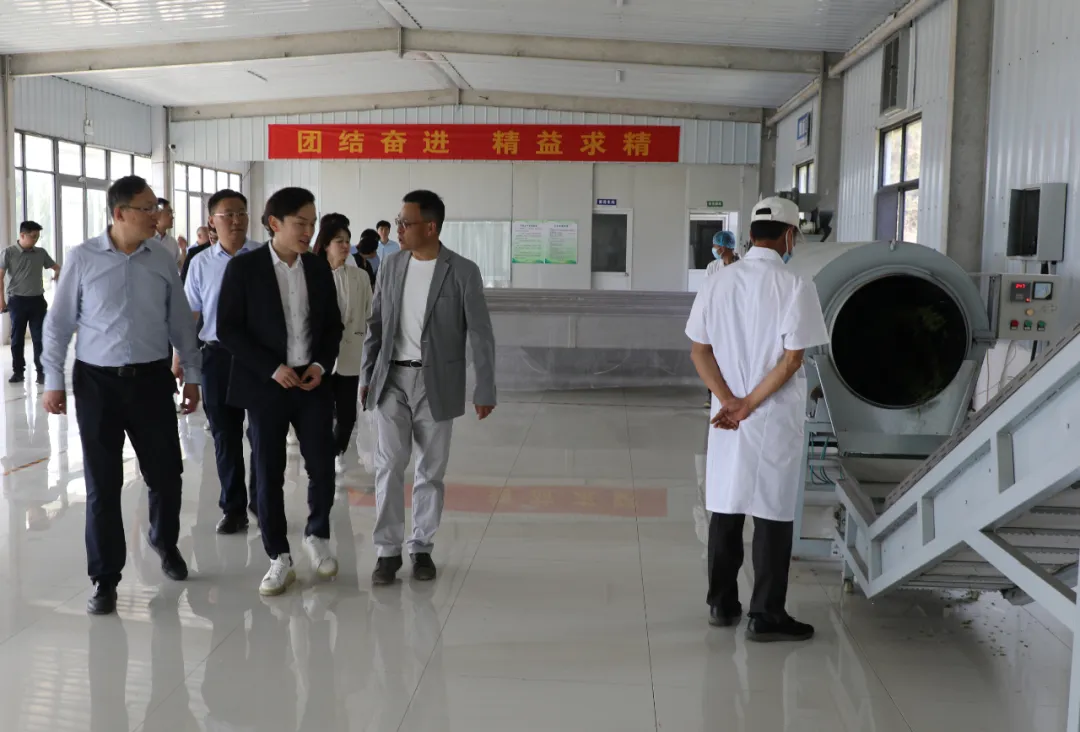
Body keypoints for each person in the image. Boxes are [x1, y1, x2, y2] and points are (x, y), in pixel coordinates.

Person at [41, 175, 202, 616]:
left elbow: (180, 322)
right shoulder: (83, 258)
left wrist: (192, 374)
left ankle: (164, 542)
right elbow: (58, 324)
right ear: (120, 213)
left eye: (156, 208)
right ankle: (105, 578)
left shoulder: (162, 259)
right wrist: (52, 379)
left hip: (151, 381)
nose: (156, 216)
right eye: (148, 209)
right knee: (102, 484)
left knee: (166, 474)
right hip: (97, 384)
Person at [685, 196, 828, 642]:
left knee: (725, 505)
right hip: (770, 414)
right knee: (771, 511)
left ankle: (721, 603)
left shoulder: (717, 282)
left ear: (749, 236)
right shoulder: (795, 285)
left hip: (727, 417)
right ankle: (766, 615)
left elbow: (699, 351)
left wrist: (729, 399)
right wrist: (748, 404)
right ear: (790, 236)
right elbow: (792, 360)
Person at [361, 190, 496, 585]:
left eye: (406, 223)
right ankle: (387, 552)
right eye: (398, 222)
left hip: (438, 381)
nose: (398, 229)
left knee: (430, 471)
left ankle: (421, 547)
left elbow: (481, 334)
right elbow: (376, 324)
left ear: (431, 227)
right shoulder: (391, 265)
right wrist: (368, 375)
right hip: (391, 379)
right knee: (389, 465)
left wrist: (485, 387)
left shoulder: (463, 271)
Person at [217, 187, 343, 596]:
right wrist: (272, 369)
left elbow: (332, 326)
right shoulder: (245, 268)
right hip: (266, 384)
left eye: (312, 223)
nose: (309, 231)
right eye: (300, 223)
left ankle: (317, 535)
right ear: (275, 223)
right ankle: (278, 556)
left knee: (322, 463)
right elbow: (228, 329)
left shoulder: (317, 268)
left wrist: (320, 365)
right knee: (267, 470)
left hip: (311, 382)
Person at [182, 189, 258, 535]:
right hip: (216, 356)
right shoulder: (200, 263)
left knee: (262, 435)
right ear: (212, 221)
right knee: (225, 437)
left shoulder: (264, 257)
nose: (237, 220)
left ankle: (261, 501)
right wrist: (183, 361)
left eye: (241, 213)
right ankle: (233, 508)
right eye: (228, 214)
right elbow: (190, 315)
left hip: (259, 359)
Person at [313, 214, 374, 474]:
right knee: (321, 413)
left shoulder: (360, 276)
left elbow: (371, 314)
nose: (346, 245)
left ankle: (336, 451)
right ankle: (322, 454)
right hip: (321, 359)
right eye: (339, 241)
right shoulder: (314, 275)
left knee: (348, 415)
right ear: (326, 245)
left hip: (351, 355)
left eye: (348, 241)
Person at [1, 221, 61, 384]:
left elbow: (56, 266)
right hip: (17, 302)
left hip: (37, 302)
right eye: (33, 236)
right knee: (17, 339)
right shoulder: (8, 253)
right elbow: (0, 277)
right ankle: (18, 372)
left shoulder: (40, 253)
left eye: (37, 237)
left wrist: (57, 272)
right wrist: (1, 301)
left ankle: (41, 372)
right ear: (22, 235)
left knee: (39, 338)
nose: (35, 240)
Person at [153, 198, 184, 270]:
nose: (172, 217)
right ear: (157, 214)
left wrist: (183, 250)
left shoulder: (172, 242)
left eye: (172, 213)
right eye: (169, 213)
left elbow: (181, 268)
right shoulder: (145, 240)